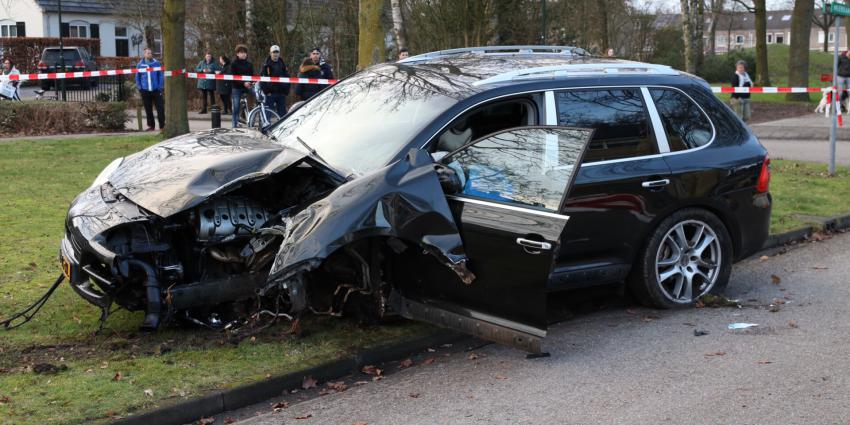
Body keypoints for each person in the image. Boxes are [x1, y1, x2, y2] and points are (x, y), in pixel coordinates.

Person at [135, 47, 165, 131]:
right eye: (148, 53)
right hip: (145, 90)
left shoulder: (157, 63)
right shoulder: (140, 65)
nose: (150, 54)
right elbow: (137, 77)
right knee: (148, 109)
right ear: (144, 54)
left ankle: (162, 126)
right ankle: (151, 126)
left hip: (156, 90)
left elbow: (161, 75)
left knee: (160, 108)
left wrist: (160, 86)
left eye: (151, 53)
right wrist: (140, 87)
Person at [260, 44, 290, 117]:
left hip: (281, 93)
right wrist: (267, 92)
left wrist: (285, 91)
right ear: (270, 53)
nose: (275, 54)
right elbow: (262, 80)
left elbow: (287, 77)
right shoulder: (265, 65)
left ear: (279, 53)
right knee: (267, 114)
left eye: (277, 52)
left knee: (282, 115)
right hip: (270, 94)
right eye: (274, 52)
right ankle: (267, 128)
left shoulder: (283, 65)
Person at [230, 44, 254, 128]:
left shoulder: (249, 64)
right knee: (236, 107)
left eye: (245, 53)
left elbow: (252, 76)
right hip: (237, 87)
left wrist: (250, 83)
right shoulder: (233, 64)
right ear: (237, 54)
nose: (244, 54)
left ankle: (255, 115)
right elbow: (233, 78)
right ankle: (234, 126)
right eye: (241, 52)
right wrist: (243, 83)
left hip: (248, 86)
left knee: (258, 97)